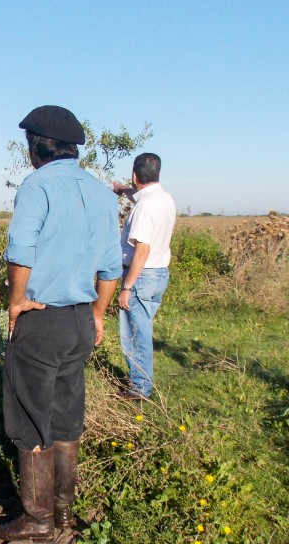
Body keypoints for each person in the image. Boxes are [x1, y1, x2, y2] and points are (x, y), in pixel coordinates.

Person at [0, 105, 122, 542]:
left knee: (31, 416)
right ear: (72, 149)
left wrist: (16, 302)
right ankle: (64, 512)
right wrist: (98, 314)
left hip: (42, 319)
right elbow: (110, 267)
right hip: (82, 318)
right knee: (66, 416)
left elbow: (21, 251)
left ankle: (37, 519)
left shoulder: (37, 186)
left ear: (34, 147)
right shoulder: (102, 193)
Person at [112, 152, 176, 400]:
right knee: (144, 331)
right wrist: (123, 190)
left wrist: (127, 287)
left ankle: (140, 389)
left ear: (134, 174)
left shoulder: (144, 208)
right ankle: (142, 383)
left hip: (141, 276)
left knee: (136, 336)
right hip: (159, 274)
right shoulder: (164, 199)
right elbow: (139, 195)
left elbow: (142, 249)